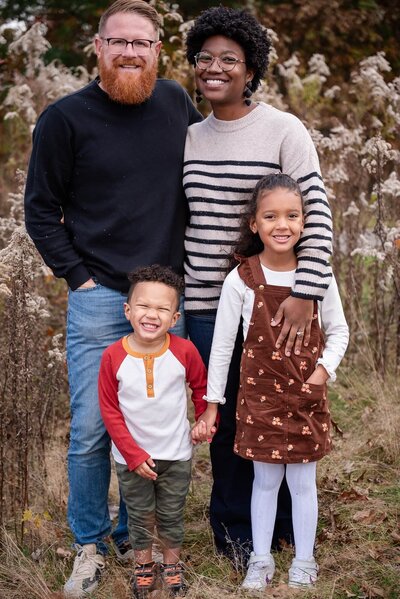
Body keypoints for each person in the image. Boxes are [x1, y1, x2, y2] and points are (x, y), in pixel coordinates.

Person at [24, 0, 202, 596]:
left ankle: (137, 535)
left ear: (158, 51)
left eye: (142, 43)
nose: (130, 52)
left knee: (153, 423)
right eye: (118, 42)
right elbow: (40, 210)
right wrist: (78, 278)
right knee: (94, 428)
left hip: (164, 297)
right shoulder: (64, 119)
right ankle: (89, 544)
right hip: (100, 296)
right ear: (97, 47)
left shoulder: (177, 102)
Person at [184, 6, 333, 561]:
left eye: (231, 59)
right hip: (205, 302)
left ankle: (290, 536)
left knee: (283, 417)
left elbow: (315, 211)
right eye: (206, 58)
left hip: (276, 305)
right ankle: (237, 537)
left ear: (251, 69)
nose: (215, 68)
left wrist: (306, 292)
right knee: (225, 425)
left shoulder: (283, 129)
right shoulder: (190, 137)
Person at [193, 173, 349, 589]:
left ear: (304, 222)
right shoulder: (240, 279)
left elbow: (340, 332)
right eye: (271, 216)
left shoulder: (319, 277)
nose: (283, 225)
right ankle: (260, 560)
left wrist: (322, 371)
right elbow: (223, 347)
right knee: (264, 481)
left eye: (292, 215)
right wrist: (213, 402)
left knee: (301, 482)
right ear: (254, 224)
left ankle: (304, 560)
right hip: (259, 398)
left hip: (305, 397)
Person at [98, 265, 210, 598]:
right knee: (141, 516)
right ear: (128, 311)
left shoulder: (184, 351)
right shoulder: (113, 356)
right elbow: (109, 409)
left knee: (172, 514)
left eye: (162, 309)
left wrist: (205, 419)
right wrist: (132, 455)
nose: (152, 314)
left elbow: (201, 387)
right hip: (132, 459)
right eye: (144, 306)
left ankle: (172, 565)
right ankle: (144, 566)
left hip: (176, 454)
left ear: (175, 318)